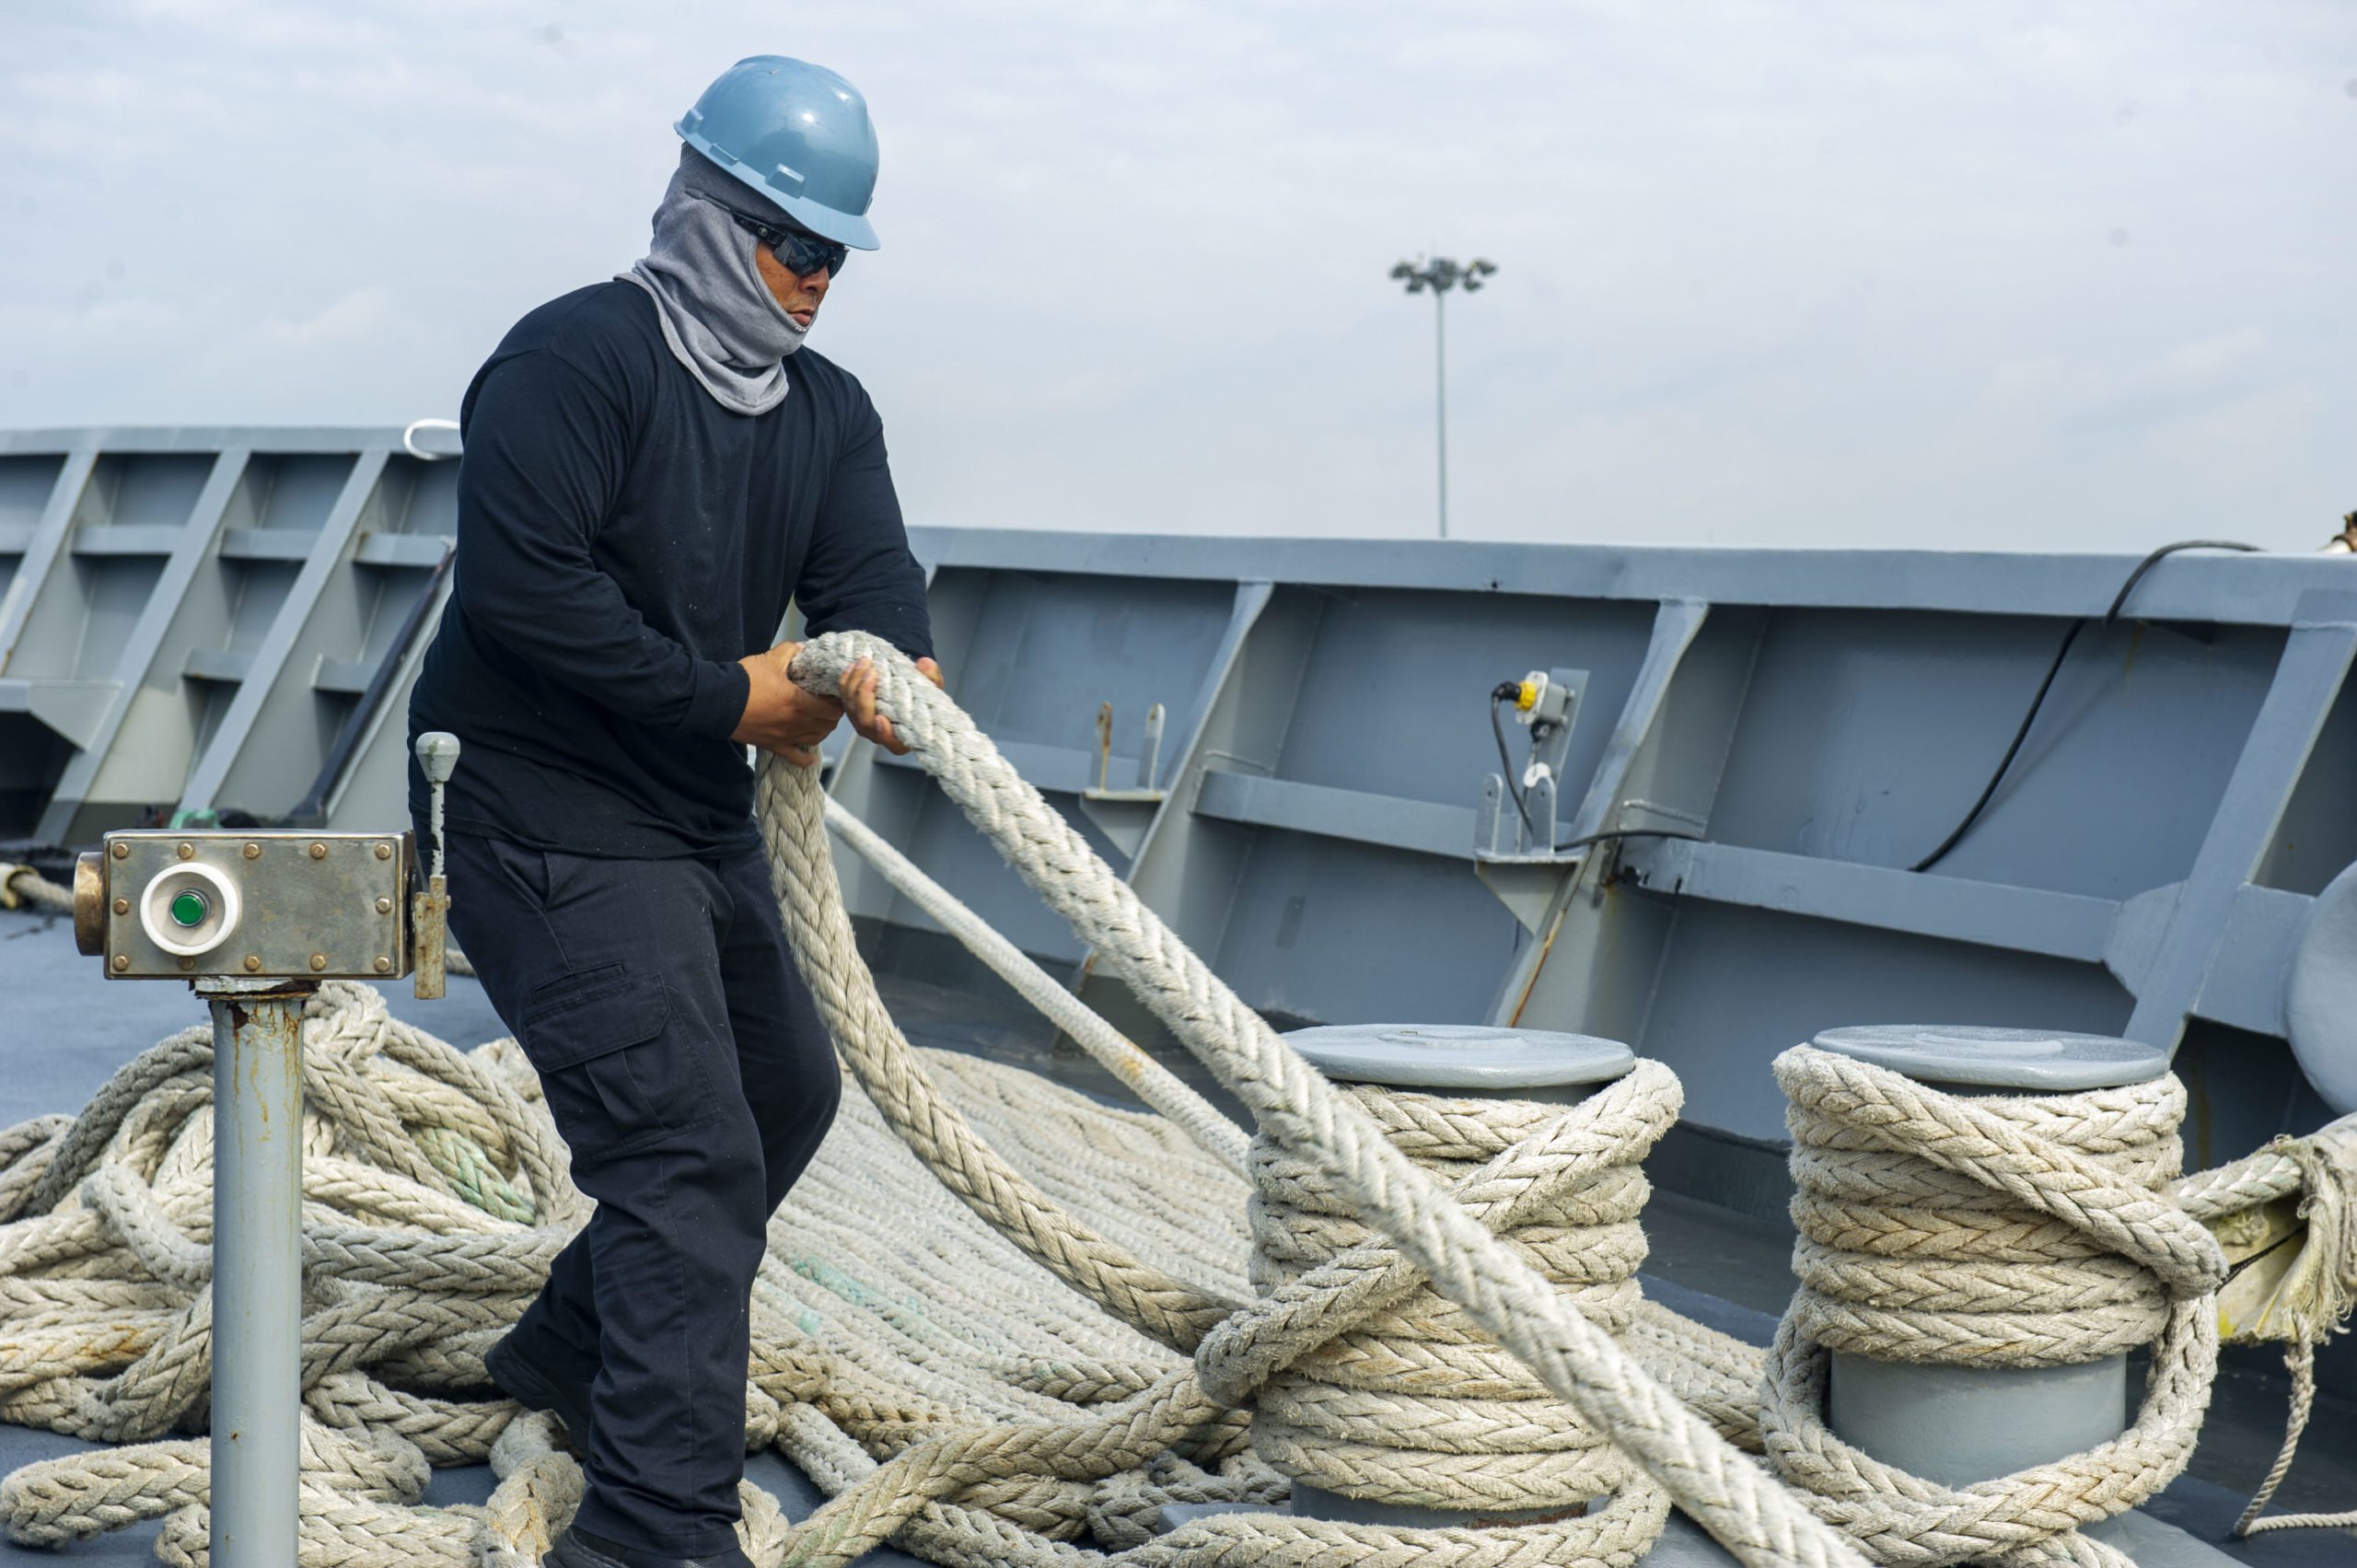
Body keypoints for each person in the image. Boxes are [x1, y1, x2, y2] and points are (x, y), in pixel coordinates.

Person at [405, 56, 939, 1568]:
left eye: (838, 256)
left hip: (689, 811)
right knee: (687, 1155)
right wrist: (734, 701)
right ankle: (651, 1533)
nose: (819, 283)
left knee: (786, 1097)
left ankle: (575, 1354)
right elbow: (526, 599)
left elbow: (870, 588)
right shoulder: (571, 361)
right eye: (796, 245)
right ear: (712, 215)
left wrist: (892, 667)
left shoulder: (827, 415)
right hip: (534, 808)